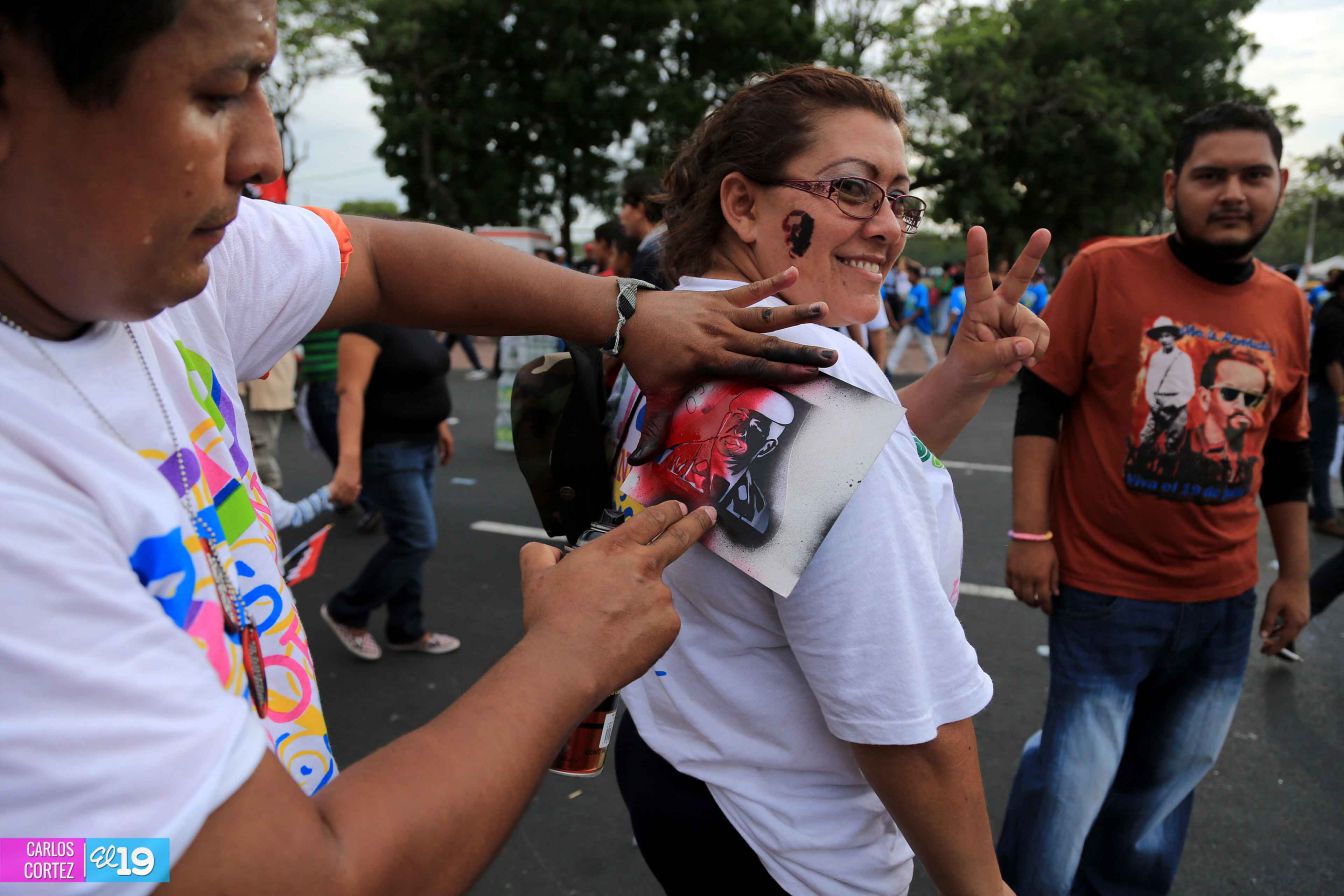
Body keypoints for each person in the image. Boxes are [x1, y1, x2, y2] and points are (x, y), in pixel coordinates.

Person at [0, 3, 861, 891]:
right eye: (218, 94)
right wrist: (567, 656)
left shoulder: (160, 268)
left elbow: (372, 257)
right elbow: (282, 880)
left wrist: (624, 312)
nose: (264, 156)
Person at [605, 65, 1051, 896]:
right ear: (743, 204)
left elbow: (800, 493)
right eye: (852, 189)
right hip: (788, 839)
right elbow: (898, 706)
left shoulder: (676, 330)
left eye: (900, 199)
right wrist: (982, 887)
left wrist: (961, 376)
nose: (887, 226)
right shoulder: (810, 372)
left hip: (682, 760)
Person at [1001, 101, 1310, 895]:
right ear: (1174, 187)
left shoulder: (1288, 305)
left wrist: (1296, 575)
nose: (1233, 192)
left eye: (1254, 175)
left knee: (1160, 789)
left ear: (1281, 185)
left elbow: (1286, 452)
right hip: (1106, 592)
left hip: (1223, 601)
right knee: (1073, 778)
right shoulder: (1105, 269)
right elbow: (1043, 403)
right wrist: (1030, 535)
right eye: (1211, 175)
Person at [323, 324, 460, 659]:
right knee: (416, 540)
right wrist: (348, 463)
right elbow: (350, 391)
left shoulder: (411, 317)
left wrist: (439, 423)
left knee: (406, 540)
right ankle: (347, 610)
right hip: (388, 449)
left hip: (421, 445)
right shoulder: (366, 323)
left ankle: (406, 629)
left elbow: (421, 377)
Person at [654, 386, 796, 536]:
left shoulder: (755, 510)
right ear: (726, 418)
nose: (740, 430)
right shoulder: (674, 457)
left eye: (756, 428)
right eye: (739, 417)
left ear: (767, 447)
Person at [1308, 271, 1344, 535]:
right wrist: (1342, 398)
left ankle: (1322, 506)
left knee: (1320, 453)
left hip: (1323, 392)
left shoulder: (1331, 311)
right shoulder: (1335, 317)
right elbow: (1333, 363)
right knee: (1322, 453)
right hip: (1325, 392)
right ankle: (1324, 513)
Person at [1132, 316, 1196, 465]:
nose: (1164, 340)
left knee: (1173, 442)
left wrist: (1175, 403)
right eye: (1160, 337)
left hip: (1177, 406)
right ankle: (1140, 468)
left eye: (1167, 335)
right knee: (1146, 438)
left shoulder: (1183, 358)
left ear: (1174, 336)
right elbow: (1150, 383)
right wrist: (1152, 401)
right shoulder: (1155, 357)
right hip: (1158, 403)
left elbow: (1189, 387)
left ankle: (1167, 471)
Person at [239, 347, 298, 488]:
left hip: (267, 381)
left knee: (261, 450)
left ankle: (272, 492)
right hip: (254, 380)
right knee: (254, 449)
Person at [620, 171, 673, 289]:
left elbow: (638, 300)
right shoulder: (675, 245)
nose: (621, 215)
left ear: (640, 209)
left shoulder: (649, 257)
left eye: (624, 206)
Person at [886, 260, 939, 373]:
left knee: (928, 349)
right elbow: (909, 307)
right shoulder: (912, 289)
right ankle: (889, 369)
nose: (908, 277)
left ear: (916, 275)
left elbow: (921, 309)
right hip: (910, 325)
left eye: (910, 274)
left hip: (920, 325)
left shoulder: (921, 289)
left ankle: (935, 370)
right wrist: (904, 319)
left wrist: (906, 320)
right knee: (899, 345)